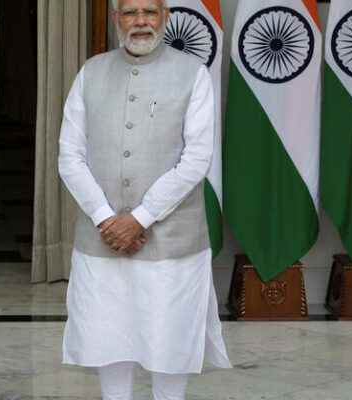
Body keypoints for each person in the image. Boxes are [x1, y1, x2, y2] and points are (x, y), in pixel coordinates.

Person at [57, 0, 231, 399]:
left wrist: (141, 218)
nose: (140, 22)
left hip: (172, 242)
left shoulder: (192, 74)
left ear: (165, 18)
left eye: (149, 13)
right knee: (107, 339)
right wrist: (106, 218)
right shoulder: (91, 72)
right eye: (130, 13)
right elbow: (69, 155)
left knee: (170, 342)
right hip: (101, 239)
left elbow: (197, 158)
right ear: (116, 19)